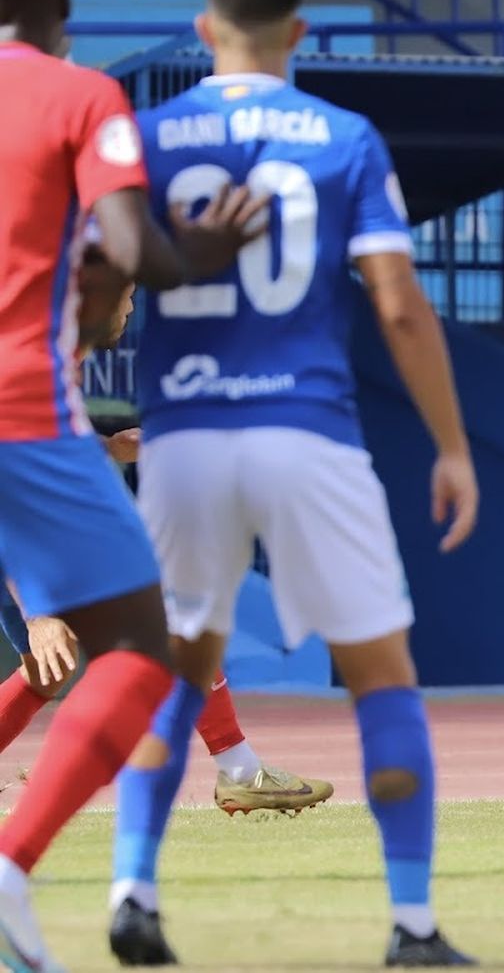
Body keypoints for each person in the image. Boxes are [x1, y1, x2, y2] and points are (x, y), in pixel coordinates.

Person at [104, 0, 477, 966]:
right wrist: (450, 444)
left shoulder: (143, 134)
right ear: (298, 35)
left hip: (180, 438)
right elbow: (397, 304)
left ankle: (133, 890)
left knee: (167, 676)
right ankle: (409, 923)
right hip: (307, 430)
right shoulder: (343, 137)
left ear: (205, 33)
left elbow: (98, 274)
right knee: (380, 676)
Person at [0, 0, 263, 970]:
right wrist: (203, 246)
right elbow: (128, 244)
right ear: (61, 12)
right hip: (20, 399)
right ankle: (11, 866)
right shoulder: (79, 96)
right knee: (147, 649)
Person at [0, 284, 333, 816]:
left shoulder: (59, 358)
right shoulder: (40, 363)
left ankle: (240, 771)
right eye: (126, 293)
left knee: (51, 671)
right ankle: (242, 772)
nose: (131, 306)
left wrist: (111, 449)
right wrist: (38, 609)